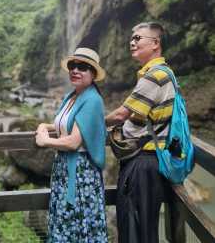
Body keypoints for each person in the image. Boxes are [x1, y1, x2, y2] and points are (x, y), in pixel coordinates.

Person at [106, 22, 174, 243]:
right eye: (131, 38)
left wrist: (87, 122)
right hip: (151, 162)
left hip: (143, 162)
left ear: (155, 44)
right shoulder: (165, 73)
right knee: (143, 226)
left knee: (135, 228)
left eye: (138, 38)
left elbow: (120, 115)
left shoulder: (154, 76)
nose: (132, 42)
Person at [36, 47, 108, 243]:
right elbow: (65, 125)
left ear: (93, 74)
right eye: (72, 65)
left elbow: (74, 142)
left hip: (80, 174)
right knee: (65, 222)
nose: (75, 70)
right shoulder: (73, 96)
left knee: (76, 224)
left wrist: (45, 141)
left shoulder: (92, 99)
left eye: (83, 67)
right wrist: (45, 126)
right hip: (65, 170)